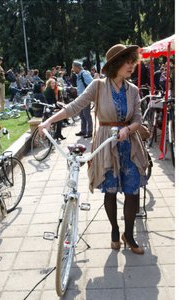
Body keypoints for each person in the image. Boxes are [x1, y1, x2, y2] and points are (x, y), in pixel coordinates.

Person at [39, 44, 149, 255]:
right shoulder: (98, 86)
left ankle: (129, 234)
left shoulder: (133, 90)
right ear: (116, 64)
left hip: (130, 145)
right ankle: (115, 232)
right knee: (109, 190)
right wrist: (48, 122)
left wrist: (128, 129)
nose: (132, 65)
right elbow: (74, 107)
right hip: (106, 144)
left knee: (132, 191)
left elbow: (137, 118)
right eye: (127, 61)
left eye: (132, 61)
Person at [72, 60, 94, 138]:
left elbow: (92, 83)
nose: (72, 69)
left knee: (86, 115)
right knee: (81, 114)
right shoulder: (79, 75)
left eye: (73, 67)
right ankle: (83, 131)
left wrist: (87, 94)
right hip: (80, 98)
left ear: (77, 67)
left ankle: (90, 132)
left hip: (85, 98)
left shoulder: (84, 74)